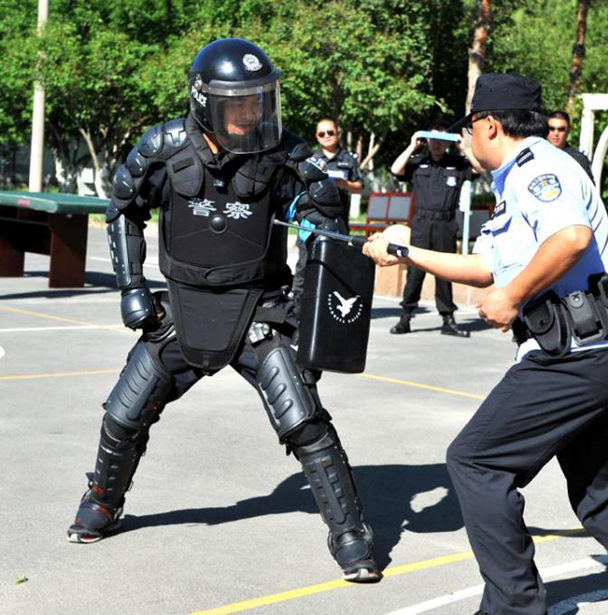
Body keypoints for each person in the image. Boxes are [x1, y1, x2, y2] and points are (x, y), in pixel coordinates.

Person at [363, 73, 608, 614]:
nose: (464, 142)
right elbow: (485, 267)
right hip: (604, 353)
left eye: (468, 131)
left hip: (575, 357)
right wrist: (406, 253)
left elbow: (570, 239)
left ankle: (513, 607)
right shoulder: (514, 182)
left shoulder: (539, 169)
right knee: (602, 496)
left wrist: (514, 296)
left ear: (489, 125)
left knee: (476, 461)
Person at [66, 38, 380, 583]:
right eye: (239, 105)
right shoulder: (162, 148)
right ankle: (102, 500)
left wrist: (309, 317)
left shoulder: (286, 156)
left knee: (304, 422)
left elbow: (325, 227)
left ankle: (350, 534)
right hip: (182, 308)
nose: (252, 114)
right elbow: (122, 209)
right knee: (123, 414)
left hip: (260, 306)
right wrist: (131, 287)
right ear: (205, 101)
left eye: (259, 101)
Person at [388, 120, 482, 337]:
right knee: (415, 272)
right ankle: (405, 317)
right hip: (421, 223)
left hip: (445, 223)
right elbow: (395, 169)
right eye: (433, 139)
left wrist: (463, 148)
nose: (437, 144)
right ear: (427, 140)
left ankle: (448, 320)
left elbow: (480, 168)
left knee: (445, 272)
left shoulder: (458, 163)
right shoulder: (419, 162)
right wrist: (413, 145)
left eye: (442, 140)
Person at [290, 118, 363, 322]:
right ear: (316, 136)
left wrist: (345, 184)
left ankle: (329, 312)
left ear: (337, 133)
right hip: (311, 223)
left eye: (330, 132)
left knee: (336, 268)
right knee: (305, 267)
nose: (326, 137)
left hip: (338, 223)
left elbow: (360, 186)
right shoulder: (310, 158)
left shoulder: (348, 158)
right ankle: (298, 314)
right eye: (321, 134)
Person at [547, 110, 594, 183]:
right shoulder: (535, 155)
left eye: (561, 129)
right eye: (551, 129)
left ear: (568, 131)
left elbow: (589, 189)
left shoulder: (578, 160)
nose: (556, 133)